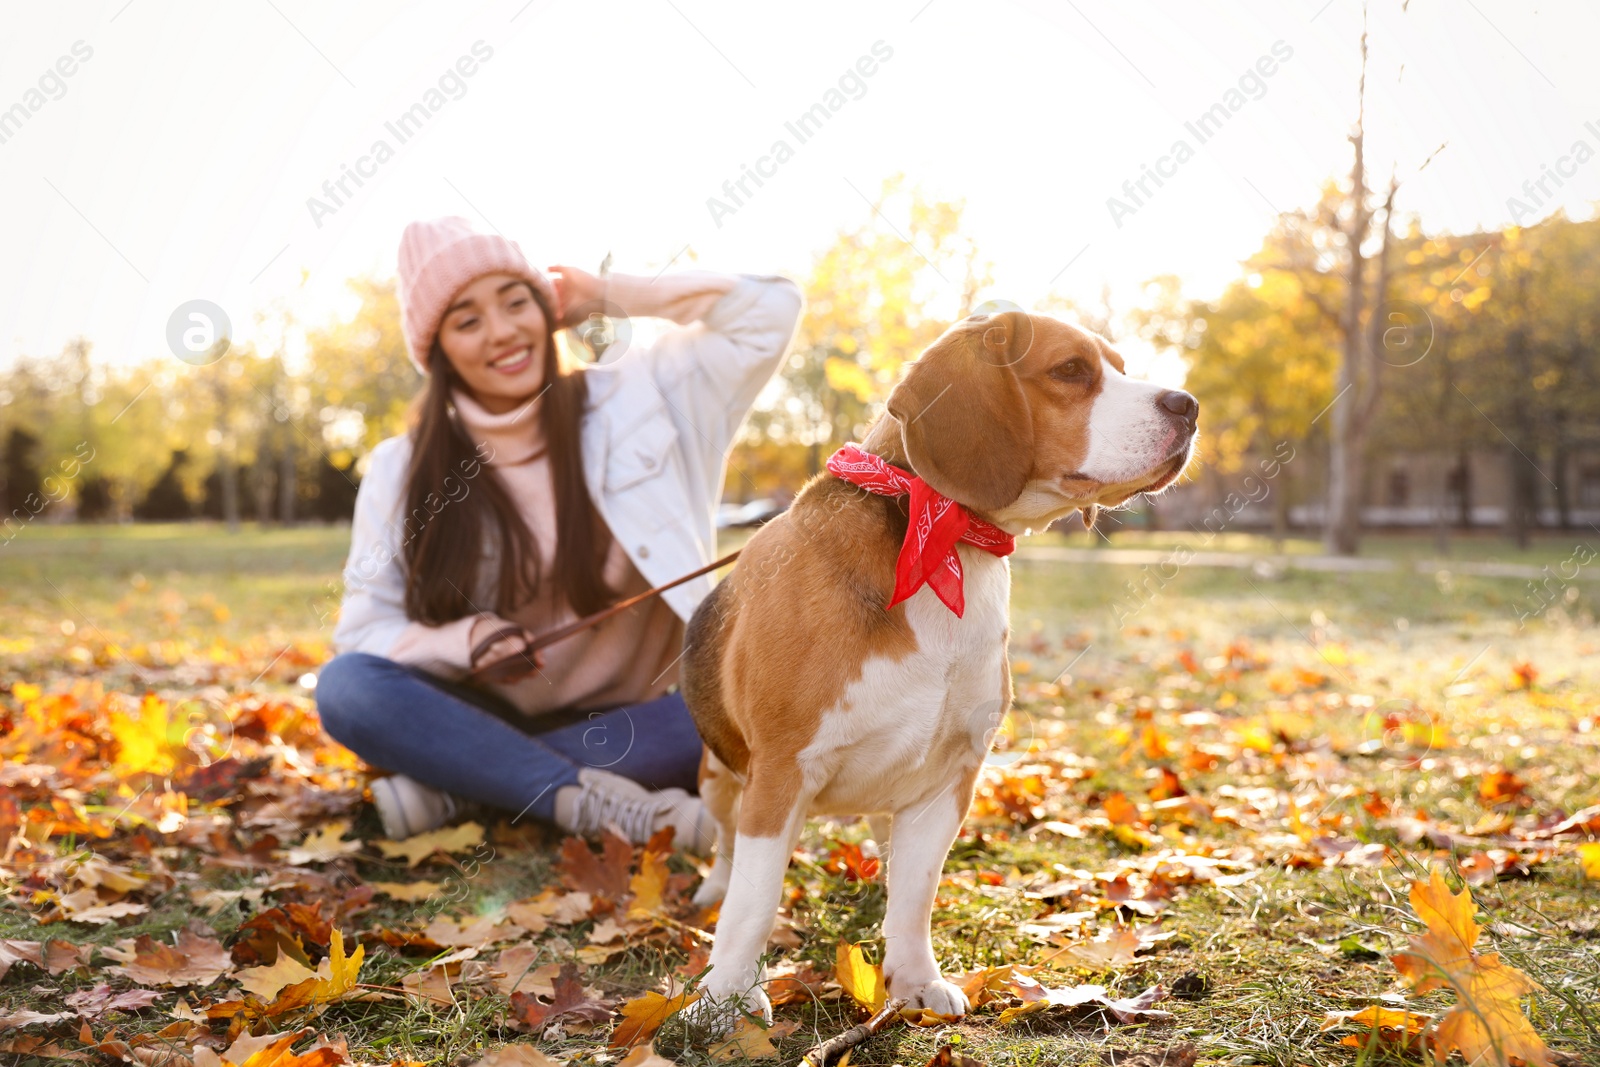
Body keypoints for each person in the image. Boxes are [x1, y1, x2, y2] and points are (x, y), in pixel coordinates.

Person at [314, 216, 802, 848]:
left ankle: (462, 788)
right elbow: (363, 632)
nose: (503, 331)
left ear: (547, 307)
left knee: (736, 707)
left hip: (641, 722)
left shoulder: (645, 395)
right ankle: (579, 800)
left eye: (516, 302)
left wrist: (608, 293)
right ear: (439, 352)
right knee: (346, 687)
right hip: (476, 713)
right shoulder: (400, 469)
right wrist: (463, 642)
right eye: (467, 321)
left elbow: (769, 311)